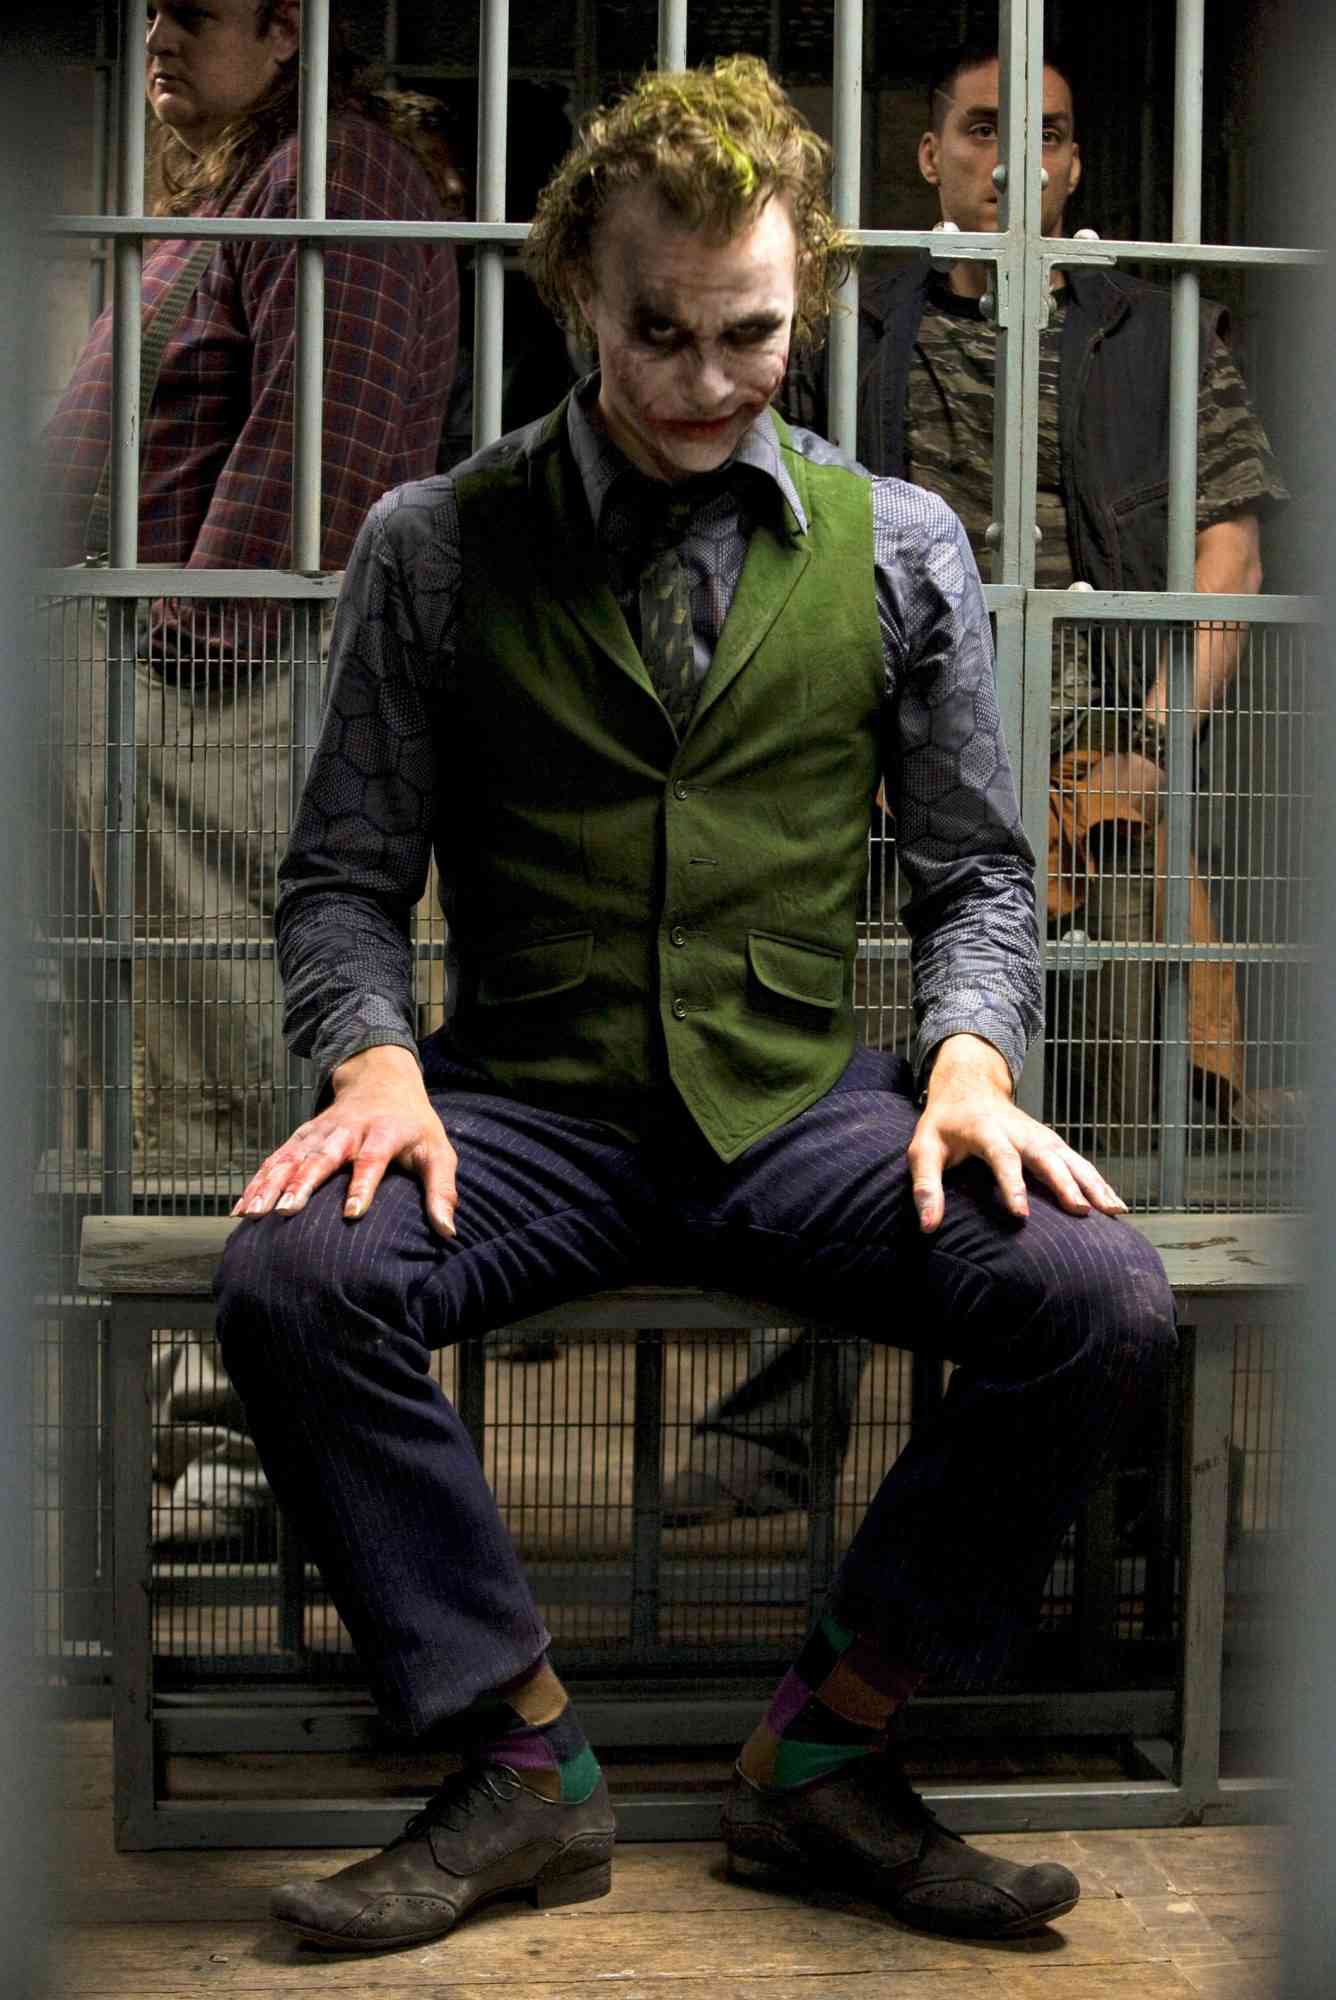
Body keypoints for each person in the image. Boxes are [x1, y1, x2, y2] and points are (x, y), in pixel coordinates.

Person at [213, 55, 1175, 1956]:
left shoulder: (902, 546)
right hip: (525, 1112)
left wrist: (968, 1059)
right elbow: (340, 877)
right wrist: (375, 1062)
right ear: (578, 288)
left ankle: (826, 1753)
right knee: (291, 1282)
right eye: (659, 330)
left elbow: (976, 873)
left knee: (1100, 1301)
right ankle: (520, 1764)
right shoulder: (435, 542)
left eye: (753, 335)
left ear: (804, 299)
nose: (705, 380)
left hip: (799, 1111)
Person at [662, 39, 1287, 1532]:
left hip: (1096, 761)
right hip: (875, 767)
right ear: (930, 156)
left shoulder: (1147, 324)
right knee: (846, 1092)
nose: (1020, 158)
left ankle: (1127, 1459)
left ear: (1076, 164)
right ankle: (785, 1429)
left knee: (1131, 1100)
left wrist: (1151, 741)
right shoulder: (857, 325)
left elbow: (1230, 541)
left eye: (1050, 135)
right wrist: (838, 734)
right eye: (987, 128)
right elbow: (755, 516)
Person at [43, 0, 461, 1548]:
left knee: (231, 1061)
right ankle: (206, 1430)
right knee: (179, 1062)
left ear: (288, 29)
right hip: (182, 684)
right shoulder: (260, 171)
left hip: (227, 688)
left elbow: (317, 459)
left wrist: (185, 652)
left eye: (198, 11)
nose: (160, 32)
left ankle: (247, 1441)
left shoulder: (331, 178)